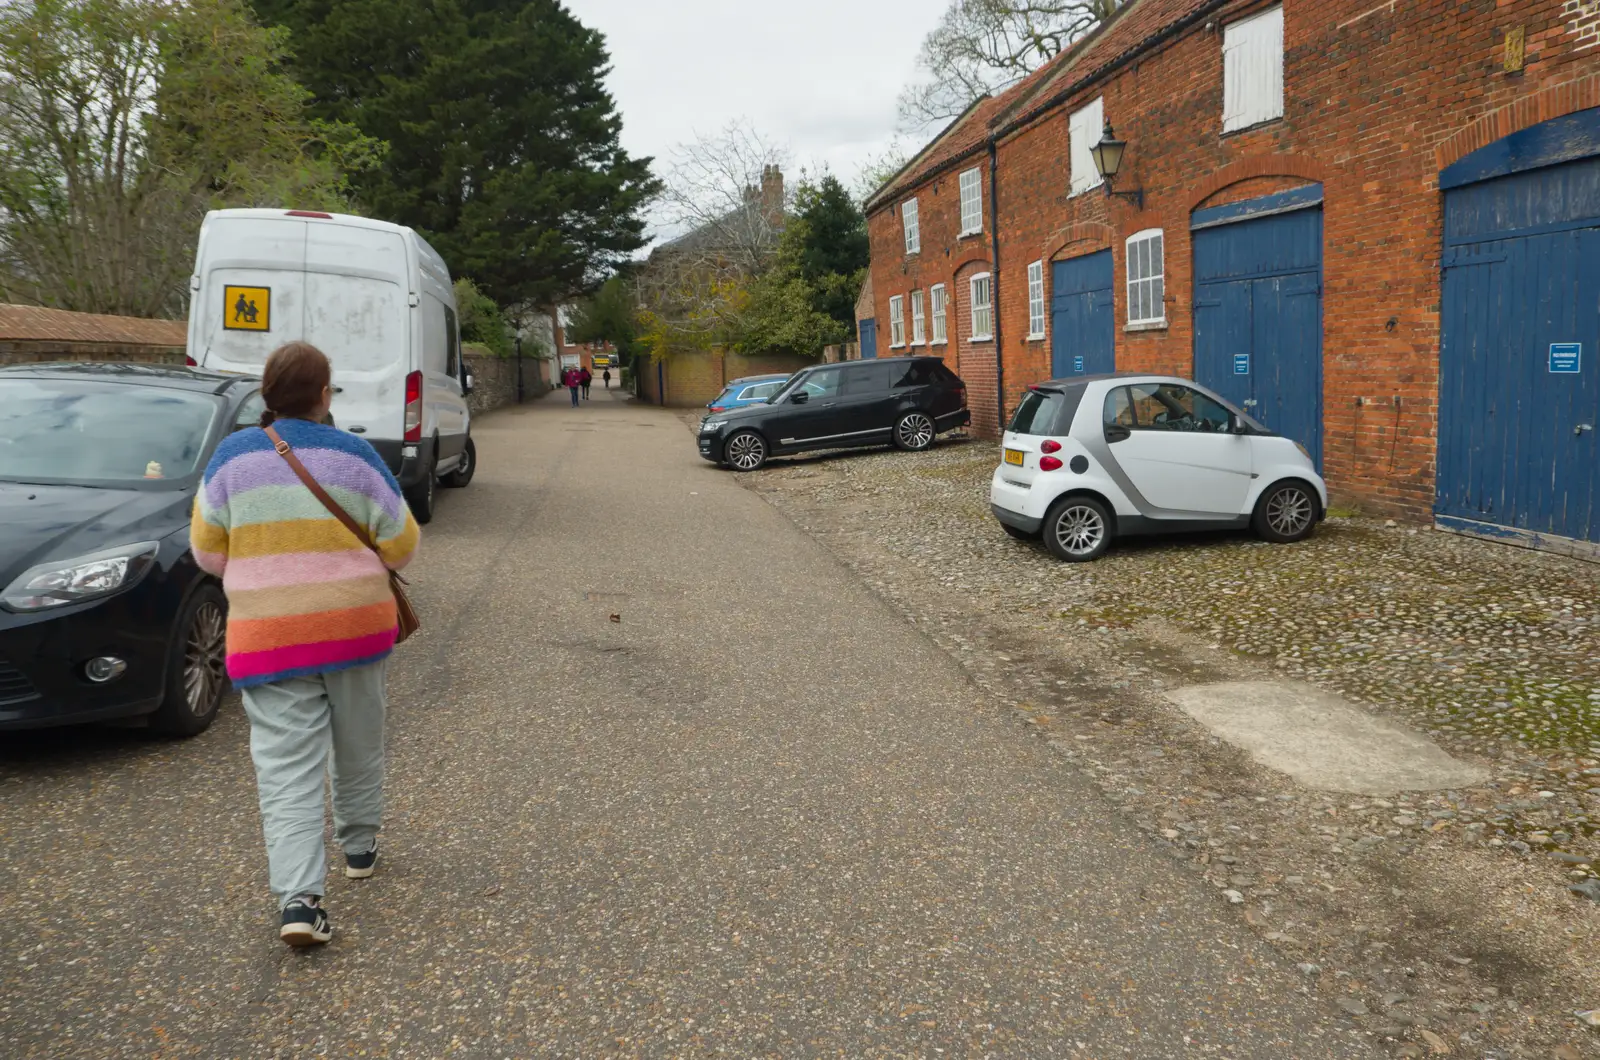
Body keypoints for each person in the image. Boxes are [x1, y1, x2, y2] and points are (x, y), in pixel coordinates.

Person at [190, 342, 420, 947]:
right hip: (353, 630)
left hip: (268, 638)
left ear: (267, 393)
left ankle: (300, 901)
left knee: (286, 768)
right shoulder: (356, 456)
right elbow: (400, 545)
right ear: (325, 394)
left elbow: (208, 553)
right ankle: (360, 846)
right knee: (359, 739)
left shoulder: (230, 459)